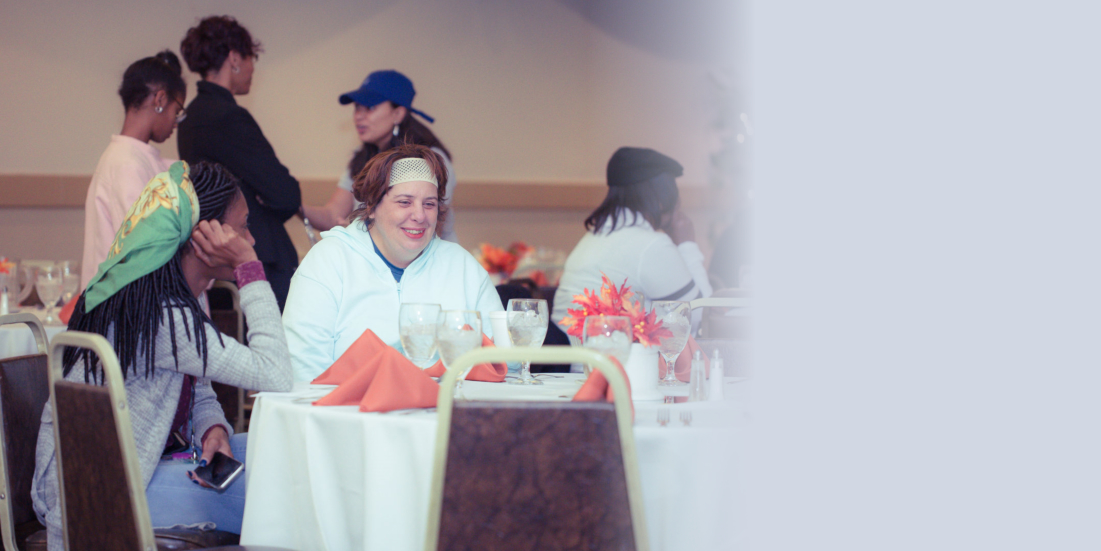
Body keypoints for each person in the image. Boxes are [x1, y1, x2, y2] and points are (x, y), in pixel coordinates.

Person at [32, 161, 292, 550]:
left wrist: (212, 428)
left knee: (282, 448)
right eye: (242, 227)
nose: (250, 239)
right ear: (204, 235)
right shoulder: (162, 317)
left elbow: (198, 388)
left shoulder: (167, 297)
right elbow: (276, 375)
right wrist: (249, 269)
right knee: (284, 496)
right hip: (100, 492)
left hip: (138, 464)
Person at [283, 144, 500, 381]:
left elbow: (501, 360)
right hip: (351, 413)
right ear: (372, 207)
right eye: (404, 202)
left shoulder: (463, 268)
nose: (419, 216)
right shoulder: (328, 261)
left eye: (429, 204)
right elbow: (303, 368)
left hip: (447, 413)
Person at [177, 15, 302, 310]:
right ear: (234, 58)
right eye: (251, 58)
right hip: (259, 255)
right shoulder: (228, 116)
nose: (252, 68)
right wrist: (262, 197)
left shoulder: (189, 118)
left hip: (213, 252)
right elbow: (286, 194)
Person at [551, 147, 713, 340]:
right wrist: (687, 245)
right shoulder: (650, 246)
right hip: (606, 365)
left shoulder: (595, 236)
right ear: (662, 200)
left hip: (571, 362)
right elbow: (701, 317)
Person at [302, 70, 459, 242]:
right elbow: (333, 215)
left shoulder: (430, 160)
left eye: (369, 107)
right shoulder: (361, 157)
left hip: (426, 265)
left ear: (398, 114)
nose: (358, 116)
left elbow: (423, 231)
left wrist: (361, 233)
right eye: (357, 108)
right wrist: (289, 203)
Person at [80, 50, 187, 289]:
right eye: (177, 111)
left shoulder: (138, 158)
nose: (175, 123)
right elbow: (146, 251)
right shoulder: (126, 163)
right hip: (121, 311)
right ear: (160, 100)